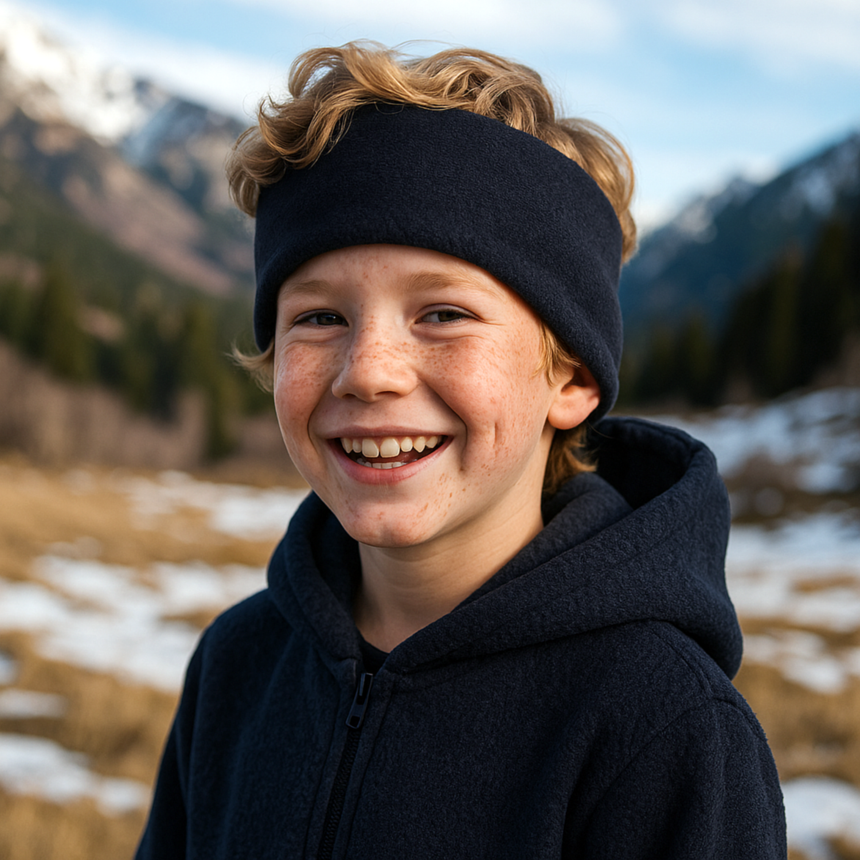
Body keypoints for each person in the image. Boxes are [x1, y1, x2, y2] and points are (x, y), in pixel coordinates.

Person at [135, 43, 787, 859]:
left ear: (572, 380)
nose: (367, 371)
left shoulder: (662, 729)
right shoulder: (239, 667)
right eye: (318, 317)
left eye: (443, 313)